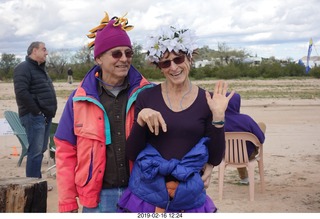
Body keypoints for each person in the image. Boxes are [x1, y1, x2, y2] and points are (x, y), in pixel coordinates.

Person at [117, 26, 234, 213]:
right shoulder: (146, 98)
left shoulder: (208, 101)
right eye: (165, 63)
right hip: (148, 195)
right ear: (159, 67)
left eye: (178, 59)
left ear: (189, 58)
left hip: (187, 196)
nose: (173, 67)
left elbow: (214, 157)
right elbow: (132, 153)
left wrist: (218, 116)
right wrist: (140, 120)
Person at [53, 12, 153, 213]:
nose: (124, 59)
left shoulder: (148, 94)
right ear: (98, 58)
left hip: (141, 194)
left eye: (128, 53)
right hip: (97, 200)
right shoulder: (78, 99)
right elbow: (65, 152)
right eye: (116, 54)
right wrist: (67, 202)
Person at [13, 41, 58, 179]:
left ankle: (36, 180)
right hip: (34, 116)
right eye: (43, 49)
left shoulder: (40, 68)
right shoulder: (23, 68)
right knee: (35, 151)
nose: (46, 53)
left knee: (41, 150)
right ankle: (33, 184)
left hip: (44, 116)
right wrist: (37, 112)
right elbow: (21, 92)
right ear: (34, 51)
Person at [225, 92, 265, 184]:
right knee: (261, 126)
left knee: (235, 147)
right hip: (248, 154)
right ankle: (245, 178)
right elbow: (261, 139)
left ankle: (244, 178)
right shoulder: (246, 119)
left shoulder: (218, 121)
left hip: (226, 155)